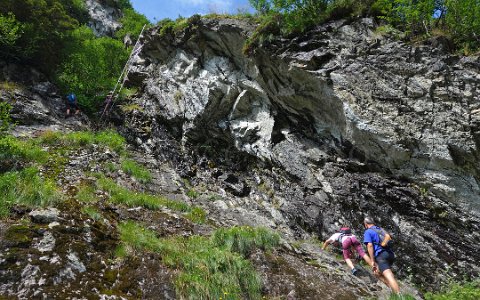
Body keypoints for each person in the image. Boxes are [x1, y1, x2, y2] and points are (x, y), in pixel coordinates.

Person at [363, 216, 400, 294]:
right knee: (377, 273)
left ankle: (399, 296)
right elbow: (388, 238)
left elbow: (369, 245)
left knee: (389, 275)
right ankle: (393, 289)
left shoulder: (368, 232)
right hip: (390, 254)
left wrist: (372, 260)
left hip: (381, 256)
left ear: (366, 224)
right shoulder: (380, 229)